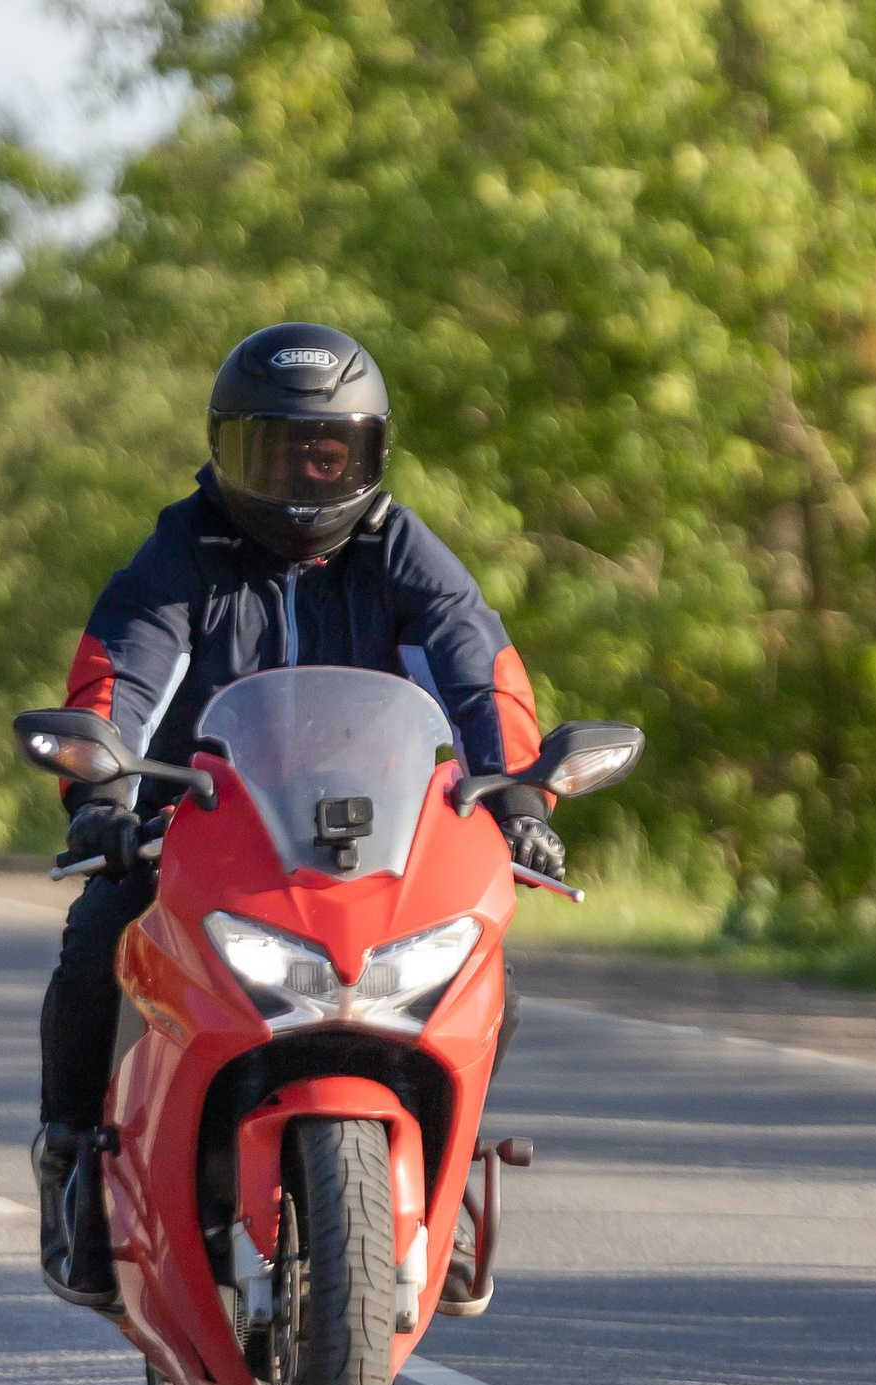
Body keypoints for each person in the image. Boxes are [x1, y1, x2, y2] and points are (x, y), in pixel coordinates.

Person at [32, 322, 564, 1307]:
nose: (300, 479)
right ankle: (69, 1158)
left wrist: (520, 794)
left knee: (481, 973)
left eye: (328, 454)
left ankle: (438, 1196)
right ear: (225, 447)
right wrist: (101, 793)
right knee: (97, 936)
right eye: (273, 450)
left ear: (369, 455)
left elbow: (479, 670)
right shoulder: (181, 553)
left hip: (371, 836)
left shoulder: (403, 552)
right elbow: (121, 669)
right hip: (198, 829)